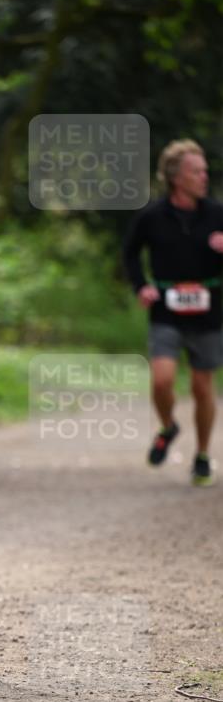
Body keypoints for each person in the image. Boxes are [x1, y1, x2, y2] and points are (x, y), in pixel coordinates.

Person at [123, 139, 223, 486]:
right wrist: (142, 286)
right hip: (167, 310)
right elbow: (131, 254)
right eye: (196, 171)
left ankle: (202, 455)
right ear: (176, 178)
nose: (203, 177)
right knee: (162, 380)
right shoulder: (152, 217)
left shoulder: (217, 214)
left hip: (209, 311)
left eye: (205, 171)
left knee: (201, 386)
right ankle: (168, 427)